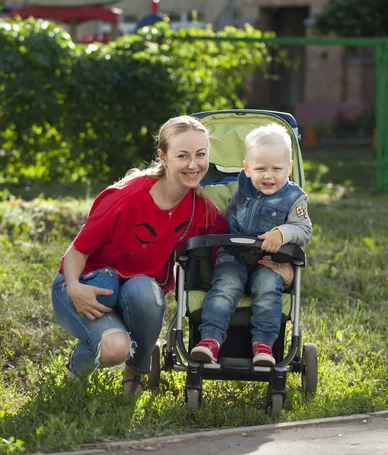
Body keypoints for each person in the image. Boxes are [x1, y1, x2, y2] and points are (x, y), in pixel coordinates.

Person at [52, 115, 229, 394]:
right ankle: (76, 370)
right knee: (114, 349)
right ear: (164, 156)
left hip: (137, 291)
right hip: (88, 284)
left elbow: (227, 245)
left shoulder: (200, 208)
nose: (194, 165)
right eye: (183, 155)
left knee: (146, 290)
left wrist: (272, 261)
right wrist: (74, 287)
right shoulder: (126, 197)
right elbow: (77, 251)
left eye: (201, 155)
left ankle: (134, 374)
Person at [190, 123, 312, 366]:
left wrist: (282, 232)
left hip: (269, 261)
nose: (268, 175)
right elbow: (230, 212)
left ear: (289, 168)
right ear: (246, 168)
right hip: (233, 254)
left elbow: (304, 228)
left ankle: (264, 345)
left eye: (277, 169)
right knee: (225, 287)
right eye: (260, 169)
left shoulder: (293, 197)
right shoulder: (244, 184)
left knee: (268, 289)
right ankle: (210, 340)